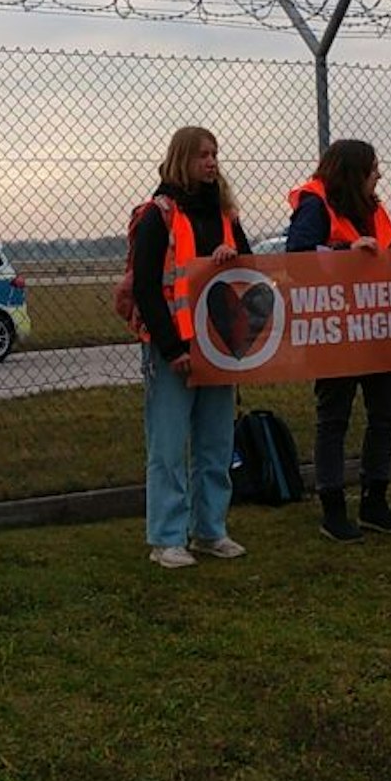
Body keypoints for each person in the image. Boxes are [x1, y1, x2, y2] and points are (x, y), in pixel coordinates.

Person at [132, 126, 252, 568]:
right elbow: (148, 287)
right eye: (203, 154)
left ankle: (210, 530)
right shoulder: (158, 215)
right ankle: (166, 538)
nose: (212, 162)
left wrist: (232, 254)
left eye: (215, 153)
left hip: (218, 346)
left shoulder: (225, 215)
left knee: (216, 443)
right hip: (173, 351)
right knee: (167, 447)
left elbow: (248, 271)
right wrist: (171, 348)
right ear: (183, 158)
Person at [286, 138, 391, 543]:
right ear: (355, 171)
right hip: (336, 331)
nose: (380, 174)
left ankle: (375, 500)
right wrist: (344, 250)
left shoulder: (375, 208)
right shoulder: (315, 205)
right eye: (374, 167)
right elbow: (297, 258)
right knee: (334, 418)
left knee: (387, 411)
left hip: (378, 327)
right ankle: (333, 508)